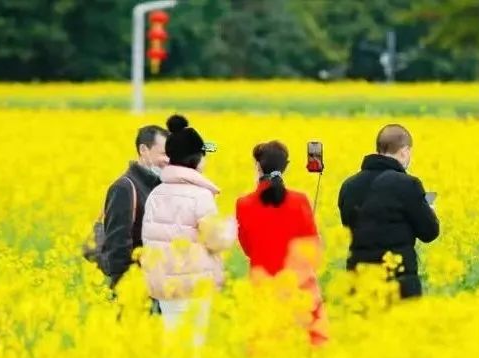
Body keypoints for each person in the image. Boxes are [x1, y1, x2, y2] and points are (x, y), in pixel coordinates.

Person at [142, 115, 234, 331]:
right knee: (192, 348)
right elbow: (215, 240)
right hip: (192, 286)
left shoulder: (156, 193)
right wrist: (231, 227)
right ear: (197, 158)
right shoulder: (199, 195)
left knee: (173, 344)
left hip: (163, 285)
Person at [236, 141, 328, 345]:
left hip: (263, 287)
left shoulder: (244, 204)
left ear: (258, 167)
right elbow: (312, 249)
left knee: (267, 351)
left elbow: (248, 249)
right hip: (300, 287)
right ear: (286, 167)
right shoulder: (300, 200)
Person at [338, 123, 440, 299]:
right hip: (398, 284)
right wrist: (429, 210)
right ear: (405, 151)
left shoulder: (348, 186)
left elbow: (349, 227)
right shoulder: (408, 184)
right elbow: (429, 233)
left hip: (358, 282)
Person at [100, 125, 169, 287]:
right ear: (144, 150)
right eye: (164, 154)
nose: (168, 160)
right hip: (134, 290)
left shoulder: (159, 187)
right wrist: (130, 288)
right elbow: (117, 249)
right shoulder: (124, 187)